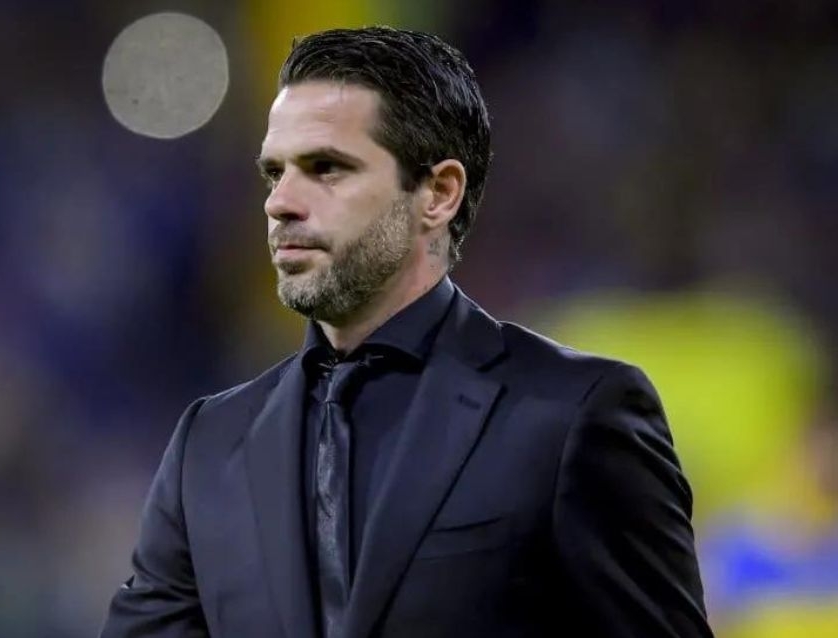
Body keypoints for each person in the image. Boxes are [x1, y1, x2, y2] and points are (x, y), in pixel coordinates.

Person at [100, 25, 712, 638]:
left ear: (438, 194)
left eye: (326, 167)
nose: (280, 202)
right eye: (274, 173)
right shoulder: (208, 445)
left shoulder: (573, 415)